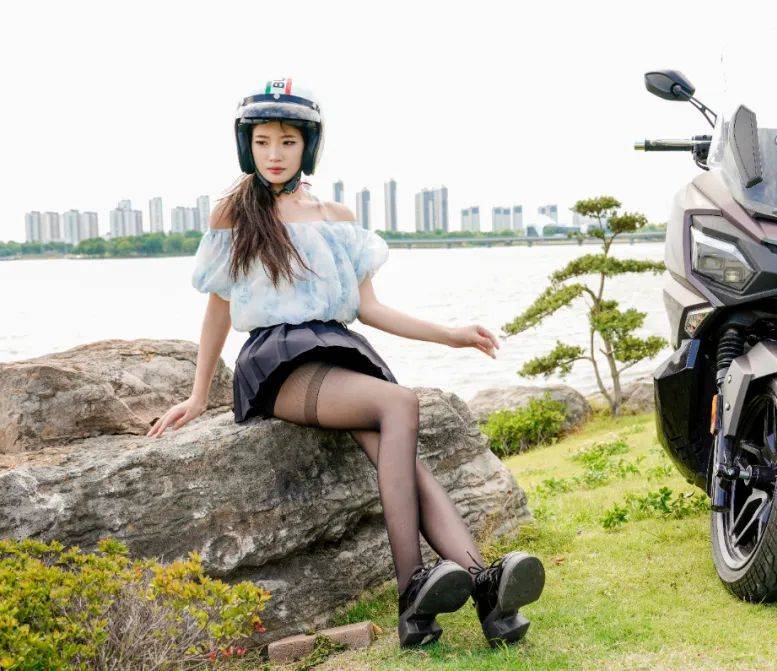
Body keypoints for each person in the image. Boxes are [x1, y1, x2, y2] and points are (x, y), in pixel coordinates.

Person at [146, 79, 544, 649]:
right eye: (262, 142)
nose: (274, 154)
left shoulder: (335, 216)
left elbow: (369, 308)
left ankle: (484, 591)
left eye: (287, 141)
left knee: (403, 459)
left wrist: (452, 336)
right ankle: (412, 590)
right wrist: (198, 392)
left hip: (337, 352)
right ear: (246, 146)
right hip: (278, 362)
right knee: (398, 403)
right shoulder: (233, 215)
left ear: (308, 146)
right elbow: (218, 310)